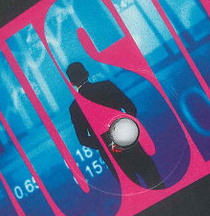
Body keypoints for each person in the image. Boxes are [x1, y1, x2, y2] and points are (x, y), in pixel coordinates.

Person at [66, 61, 165, 190]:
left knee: (135, 192)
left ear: (72, 83)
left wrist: (106, 143)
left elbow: (83, 139)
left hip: (111, 155)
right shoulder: (106, 86)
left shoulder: (74, 108)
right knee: (156, 183)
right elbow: (131, 108)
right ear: (87, 74)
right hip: (130, 142)